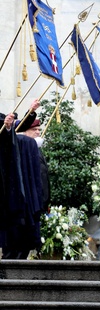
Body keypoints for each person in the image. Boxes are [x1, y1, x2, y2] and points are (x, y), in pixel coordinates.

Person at [0, 109, 43, 259]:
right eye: (34, 130)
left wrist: (31, 112)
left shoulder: (26, 144)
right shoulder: (24, 142)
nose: (37, 132)